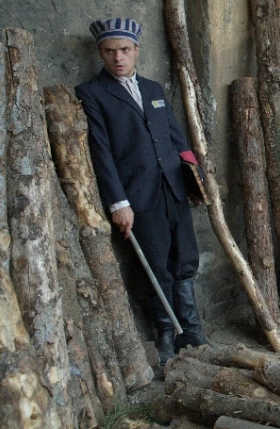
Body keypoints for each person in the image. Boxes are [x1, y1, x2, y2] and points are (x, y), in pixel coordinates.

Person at [76, 18, 209, 365]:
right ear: (100, 53)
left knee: (185, 260)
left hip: (173, 188)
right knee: (155, 265)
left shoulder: (153, 89)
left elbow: (177, 138)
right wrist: (119, 203)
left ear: (136, 50)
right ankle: (167, 335)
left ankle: (192, 331)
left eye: (124, 50)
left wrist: (195, 181)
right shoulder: (92, 94)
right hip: (138, 196)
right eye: (109, 51)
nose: (118, 57)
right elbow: (101, 153)